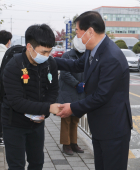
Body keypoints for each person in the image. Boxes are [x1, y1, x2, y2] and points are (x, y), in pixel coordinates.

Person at [54, 11, 133, 170]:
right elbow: (76, 65)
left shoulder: (112, 57)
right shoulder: (93, 49)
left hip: (113, 129)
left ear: (90, 31)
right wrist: (50, 61)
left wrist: (73, 108)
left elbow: (101, 96)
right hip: (100, 126)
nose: (77, 36)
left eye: (77, 32)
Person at [1, 24, 59, 170]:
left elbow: (53, 90)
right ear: (29, 47)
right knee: (17, 166)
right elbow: (17, 102)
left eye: (49, 52)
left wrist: (43, 113)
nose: (46, 56)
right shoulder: (13, 66)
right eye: (43, 52)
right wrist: (48, 108)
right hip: (14, 122)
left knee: (37, 163)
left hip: (37, 123)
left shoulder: (49, 63)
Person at [57, 44, 85, 155]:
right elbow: (65, 73)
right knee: (66, 118)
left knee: (75, 119)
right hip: (67, 91)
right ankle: (66, 144)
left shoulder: (86, 56)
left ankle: (74, 143)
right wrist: (76, 84)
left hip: (79, 92)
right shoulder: (67, 55)